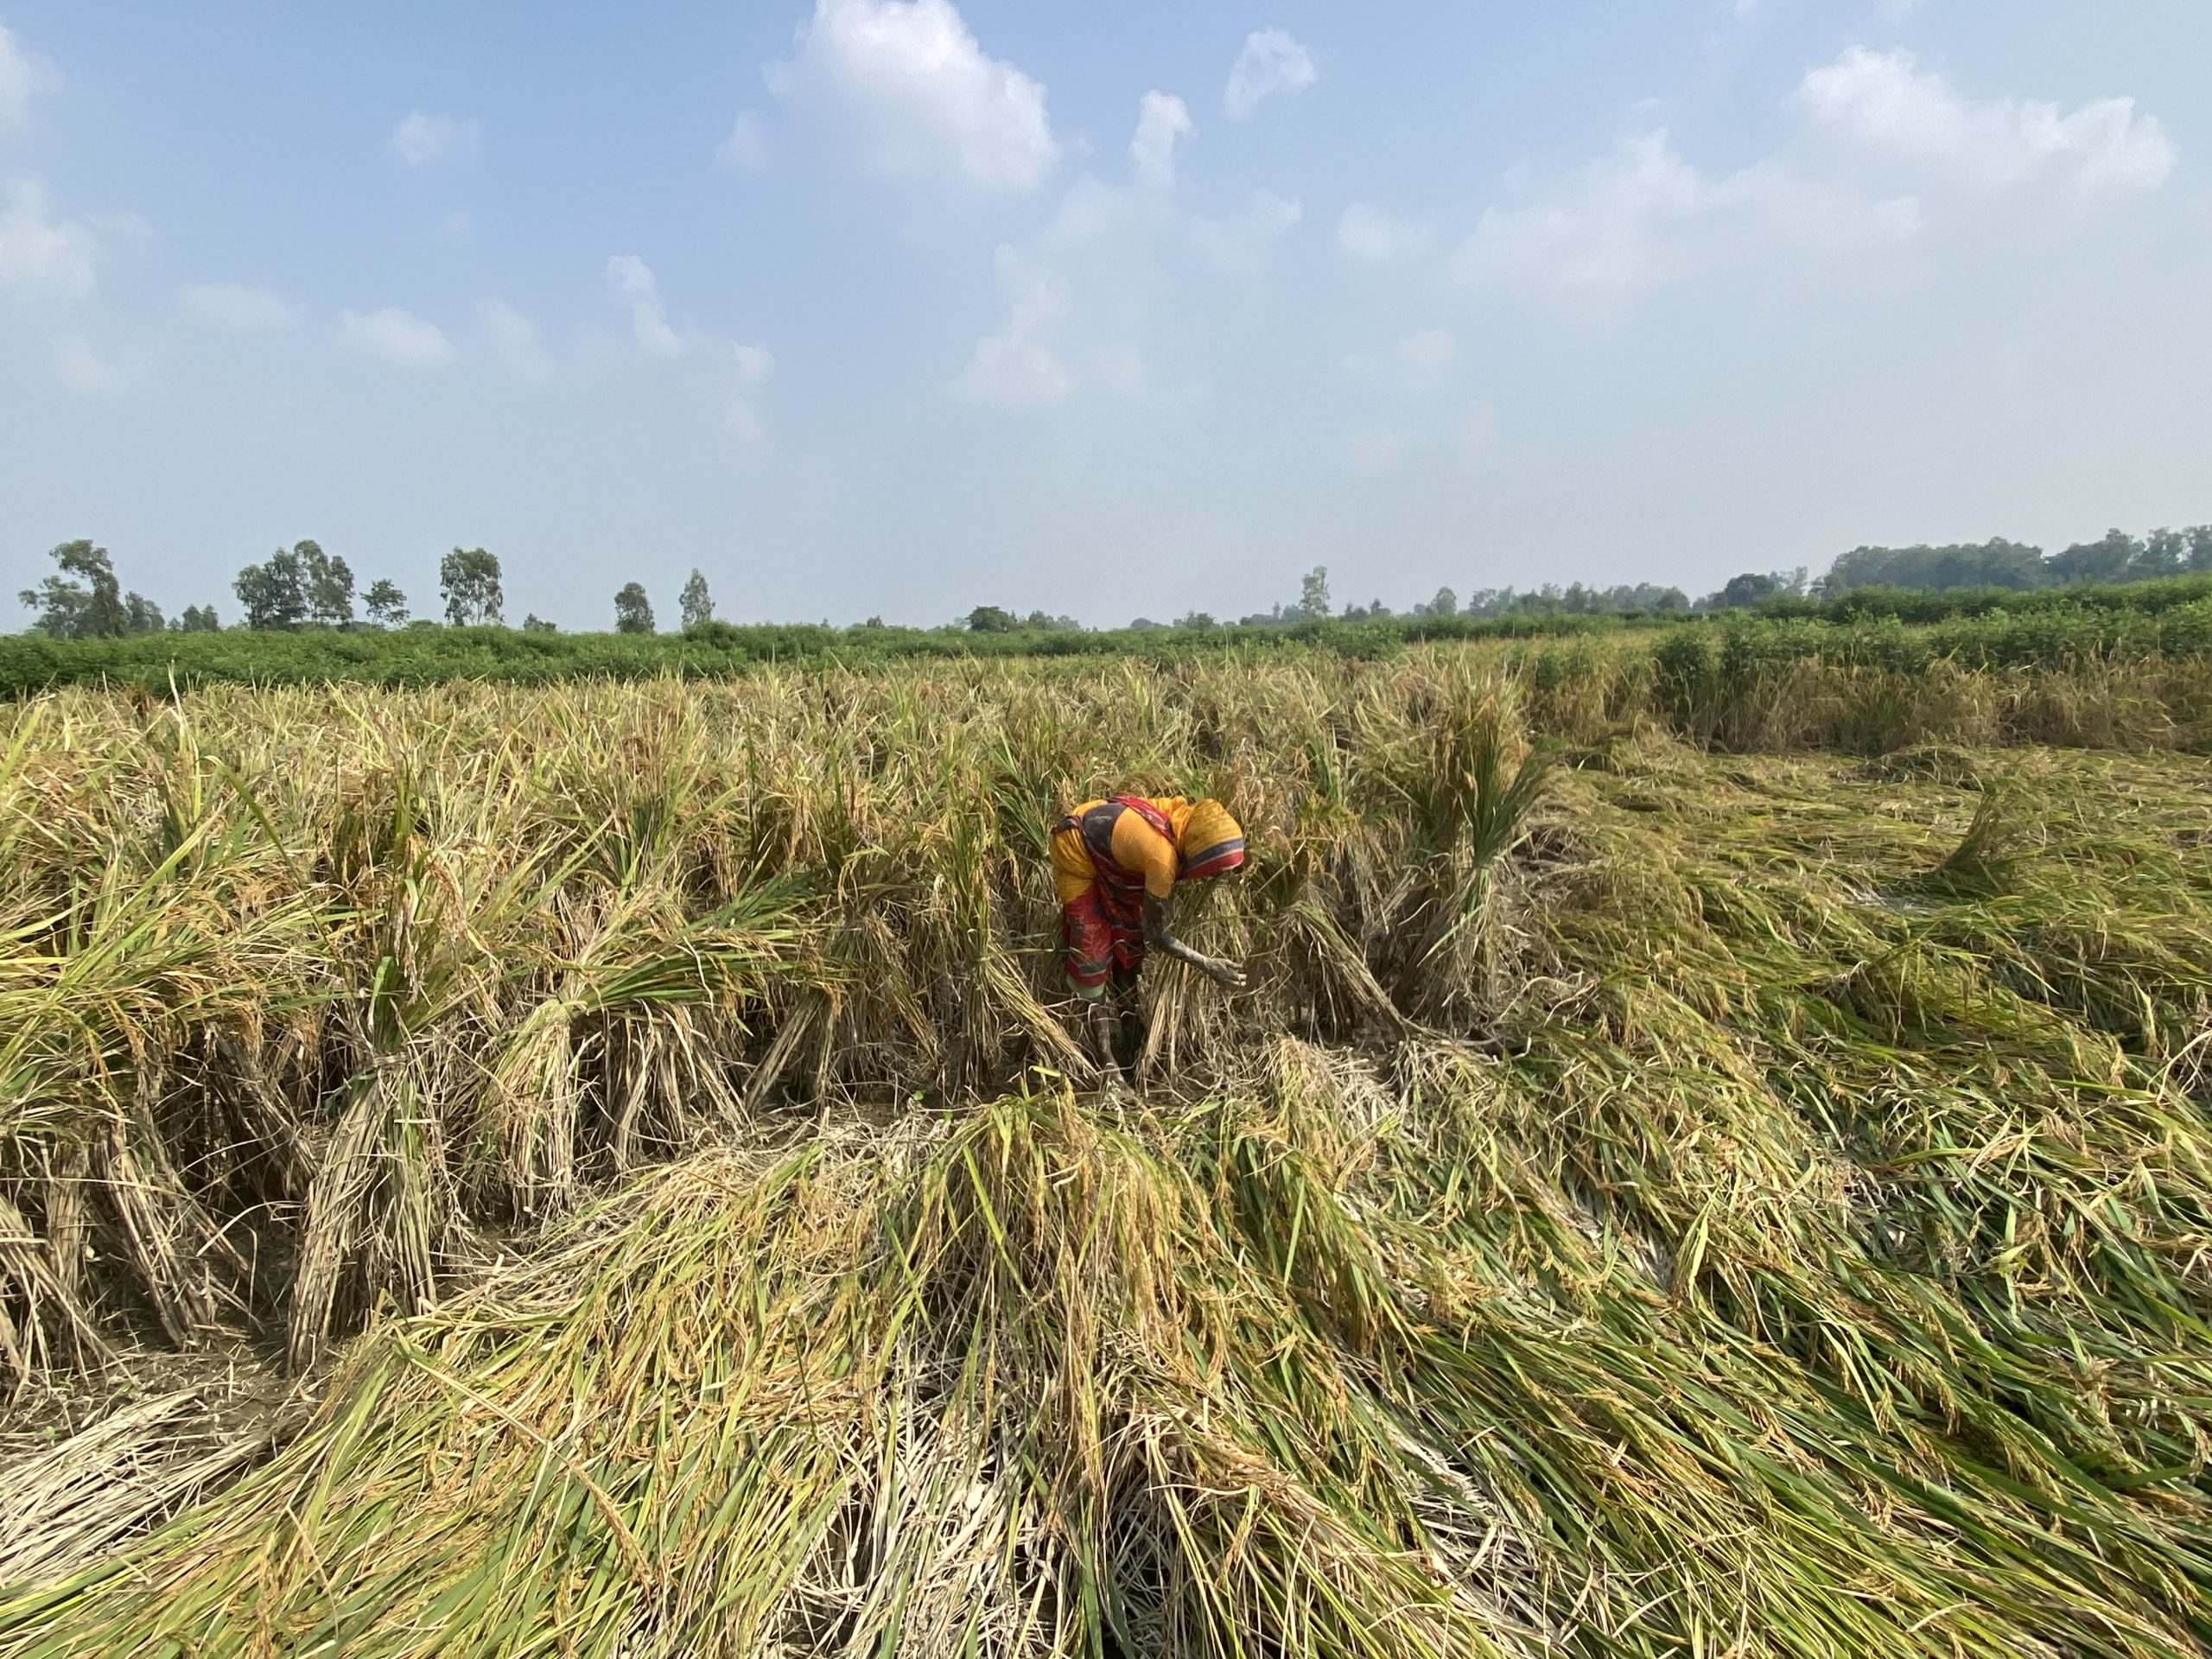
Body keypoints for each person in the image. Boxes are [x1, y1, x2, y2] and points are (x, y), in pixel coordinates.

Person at [1051, 793, 1247, 1089]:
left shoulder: (1180, 820)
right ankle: (1108, 1066)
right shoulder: (1161, 858)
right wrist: (1208, 964)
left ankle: (1131, 1034)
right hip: (1076, 848)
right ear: (1197, 852)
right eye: (1214, 869)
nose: (1214, 877)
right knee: (1092, 949)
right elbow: (1158, 934)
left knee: (1130, 943)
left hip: (1113, 852)